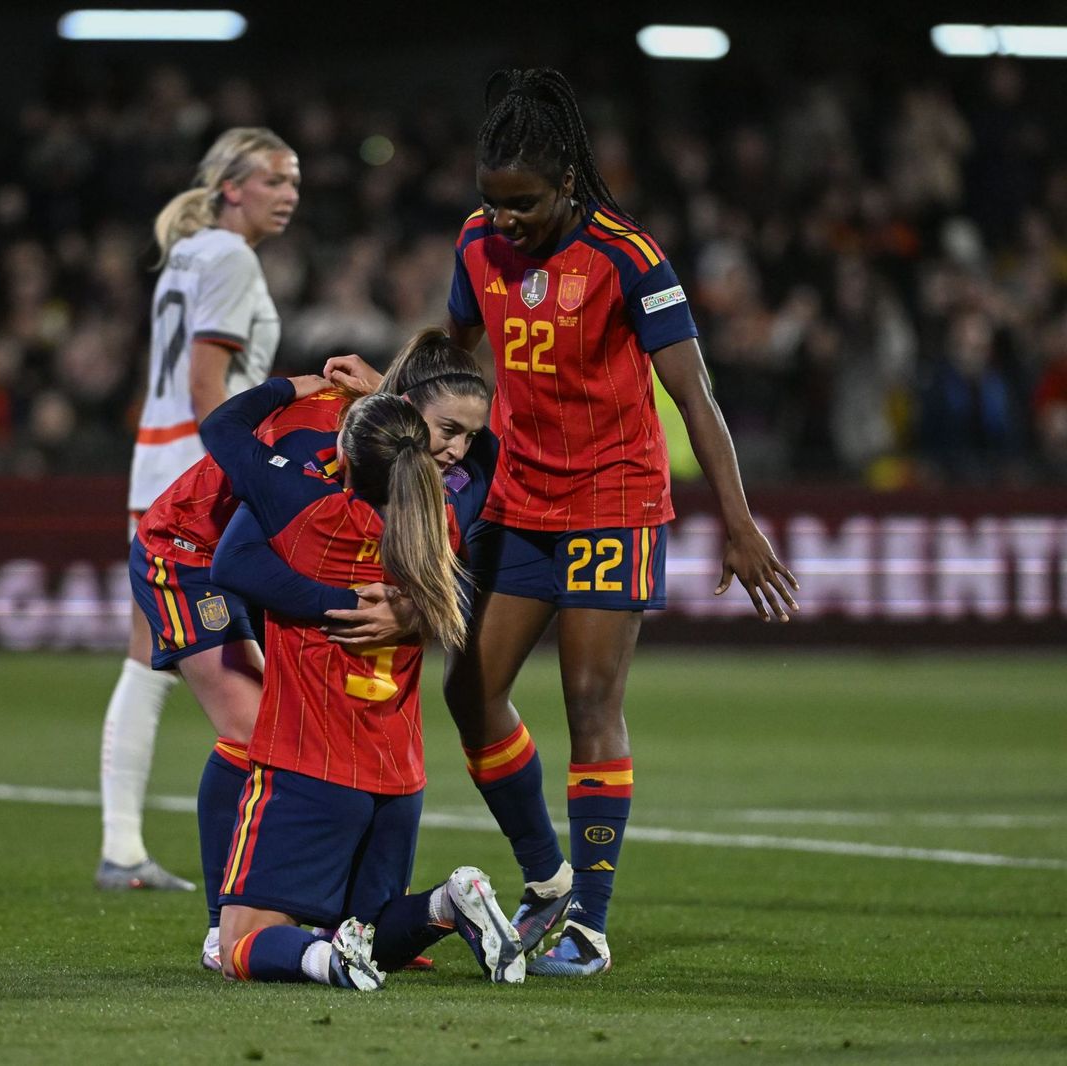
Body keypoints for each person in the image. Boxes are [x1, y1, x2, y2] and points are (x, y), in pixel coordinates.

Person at [441, 68, 801, 977]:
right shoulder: (476, 244)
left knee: (590, 702)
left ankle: (590, 929)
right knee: (468, 693)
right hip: (519, 498)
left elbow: (694, 392)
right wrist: (402, 400)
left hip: (612, 496)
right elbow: (455, 352)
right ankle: (546, 877)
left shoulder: (628, 257)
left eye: (522, 204)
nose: (506, 221)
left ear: (566, 182)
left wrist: (739, 520)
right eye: (493, 203)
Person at [131, 327, 493, 970]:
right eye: (448, 433)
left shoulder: (403, 457)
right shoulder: (315, 446)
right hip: (189, 552)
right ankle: (226, 927)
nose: (458, 453)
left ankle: (343, 920)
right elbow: (240, 558)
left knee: (304, 721)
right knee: (254, 729)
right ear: (406, 415)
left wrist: (409, 609)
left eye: (468, 437)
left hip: (279, 550)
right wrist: (355, 607)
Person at [201, 376, 522, 991]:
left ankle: (325, 961)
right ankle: (447, 904)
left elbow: (222, 429)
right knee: (371, 928)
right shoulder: (445, 525)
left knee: (237, 942)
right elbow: (485, 458)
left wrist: (296, 385)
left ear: (343, 457)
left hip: (310, 763)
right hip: (397, 780)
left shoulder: (302, 507)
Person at [97, 127, 301, 892]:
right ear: (232, 188)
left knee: (144, 660)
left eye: (295, 183)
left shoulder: (188, 254)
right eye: (275, 181)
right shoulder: (231, 257)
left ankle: (121, 849)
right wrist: (250, 474)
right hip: (195, 482)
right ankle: (268, 864)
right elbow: (206, 384)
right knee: (256, 673)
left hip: (154, 470)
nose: (288, 196)